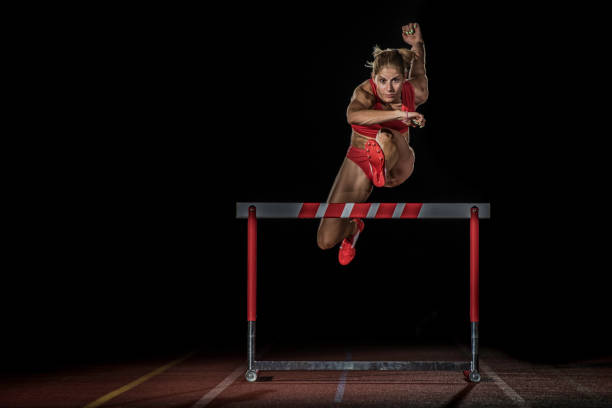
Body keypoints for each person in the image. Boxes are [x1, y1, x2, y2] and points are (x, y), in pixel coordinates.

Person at [317, 22, 429, 265]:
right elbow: (353, 116)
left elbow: (419, 69)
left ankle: (382, 167)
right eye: (383, 81)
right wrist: (401, 115)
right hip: (360, 159)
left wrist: (417, 44)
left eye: (396, 81)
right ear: (374, 78)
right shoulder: (365, 92)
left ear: (404, 78)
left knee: (385, 136)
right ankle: (353, 228)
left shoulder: (415, 91)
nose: (389, 89)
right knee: (325, 239)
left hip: (396, 163)